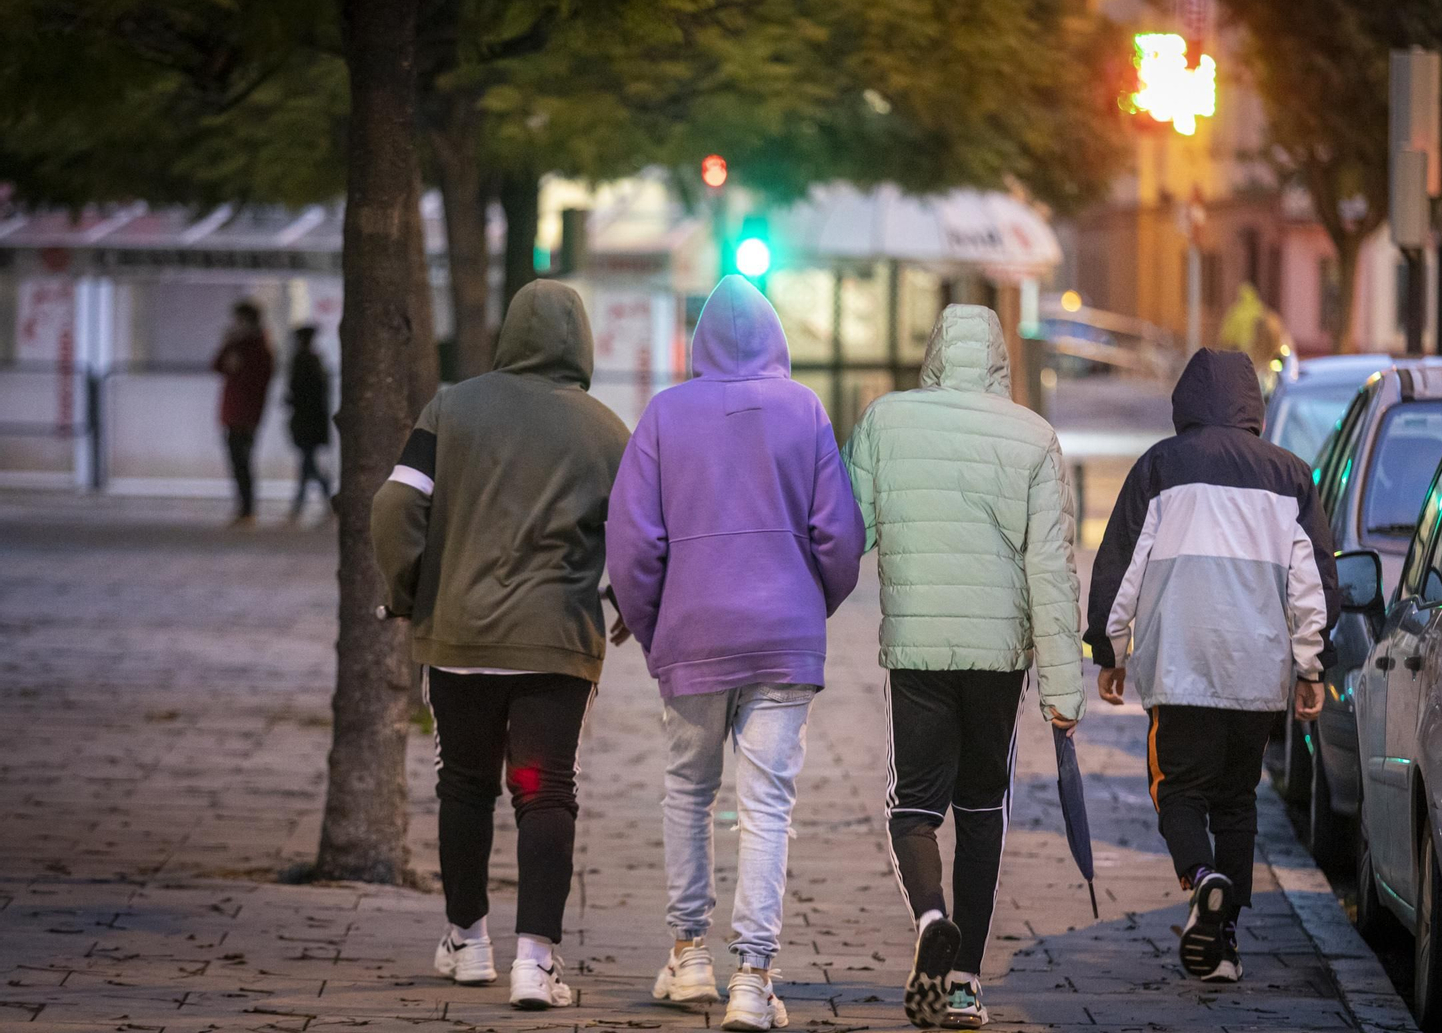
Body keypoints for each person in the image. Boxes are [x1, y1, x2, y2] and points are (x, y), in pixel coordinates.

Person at [607, 275, 864, 1033]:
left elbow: (633, 545)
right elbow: (839, 537)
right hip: (783, 636)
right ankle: (753, 977)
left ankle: (689, 956)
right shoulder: (805, 411)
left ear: (701, 340)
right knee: (767, 806)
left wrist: (658, 630)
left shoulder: (664, 414)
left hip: (692, 632)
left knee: (689, 790)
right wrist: (807, 607)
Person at [370, 280, 632, 1012]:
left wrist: (410, 589)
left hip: (459, 634)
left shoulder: (451, 408)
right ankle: (536, 961)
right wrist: (632, 602)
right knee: (546, 788)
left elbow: (394, 504)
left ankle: (468, 940)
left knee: (465, 783)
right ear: (581, 341)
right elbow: (646, 533)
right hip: (557, 640)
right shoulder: (607, 430)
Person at [843, 303, 1083, 1029]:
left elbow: (850, 532)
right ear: (1001, 358)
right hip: (999, 656)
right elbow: (1052, 568)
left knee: (913, 808)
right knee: (982, 810)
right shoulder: (1036, 437)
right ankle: (965, 983)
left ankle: (928, 918)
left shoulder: (886, 421)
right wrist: (1063, 689)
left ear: (936, 353)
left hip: (917, 647)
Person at [1084, 348, 1337, 985]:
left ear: (1186, 400)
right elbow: (1312, 587)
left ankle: (1202, 880)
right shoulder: (1291, 476)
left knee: (1177, 790)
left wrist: (1110, 651)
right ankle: (1224, 945)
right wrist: (1311, 668)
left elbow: (1121, 569)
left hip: (1181, 666)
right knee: (1235, 802)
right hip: (1255, 673)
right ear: (1252, 403)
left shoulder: (1160, 467)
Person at [211, 300, 274, 526]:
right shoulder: (238, 345)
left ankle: (247, 509)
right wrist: (228, 344)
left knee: (243, 461)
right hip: (233, 413)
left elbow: (259, 381)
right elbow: (217, 366)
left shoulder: (258, 347)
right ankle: (244, 508)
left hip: (246, 415)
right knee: (237, 462)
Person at [285, 324, 333, 523]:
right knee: (308, 464)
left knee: (308, 464)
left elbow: (299, 393)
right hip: (313, 422)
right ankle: (314, 502)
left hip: (306, 422)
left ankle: (301, 504)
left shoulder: (303, 361)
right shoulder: (316, 361)